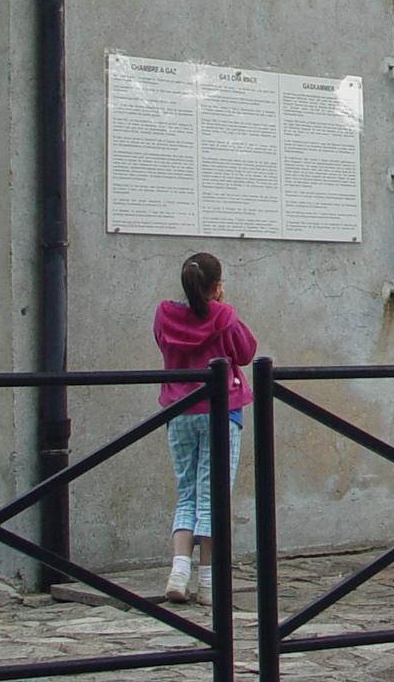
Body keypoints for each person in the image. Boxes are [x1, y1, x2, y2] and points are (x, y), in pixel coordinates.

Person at [154, 250, 257, 604]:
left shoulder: (164, 314)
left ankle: (178, 571)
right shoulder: (223, 316)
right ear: (216, 286)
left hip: (179, 410)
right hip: (219, 411)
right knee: (213, 497)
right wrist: (222, 308)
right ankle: (210, 583)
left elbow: (163, 345)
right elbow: (245, 352)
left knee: (186, 493)